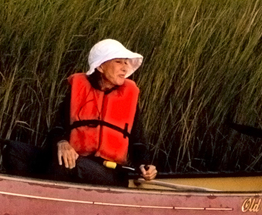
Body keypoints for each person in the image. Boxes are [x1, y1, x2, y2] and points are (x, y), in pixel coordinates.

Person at [19, 39, 159, 184]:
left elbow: (139, 144)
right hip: (76, 162)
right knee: (16, 151)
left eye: (126, 62)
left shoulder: (129, 99)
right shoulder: (77, 92)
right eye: (119, 62)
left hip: (110, 172)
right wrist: (61, 142)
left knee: (67, 165)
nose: (125, 68)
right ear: (100, 66)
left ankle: (43, 197)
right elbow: (57, 128)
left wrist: (144, 165)